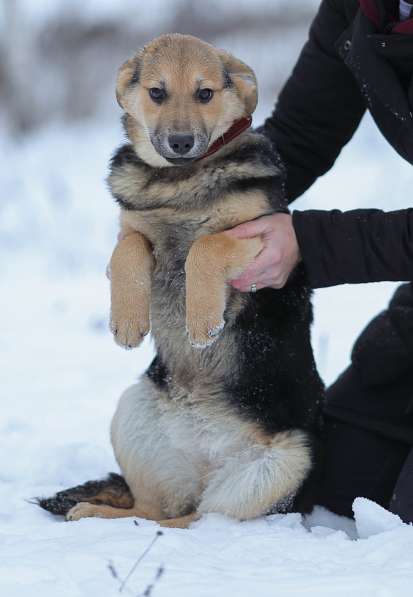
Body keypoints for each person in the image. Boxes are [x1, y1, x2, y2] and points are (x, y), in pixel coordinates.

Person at [229, 0, 413, 522]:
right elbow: (301, 135)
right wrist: (194, 211)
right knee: (332, 485)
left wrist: (308, 243)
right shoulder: (362, 8)